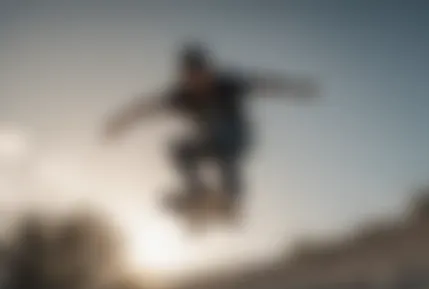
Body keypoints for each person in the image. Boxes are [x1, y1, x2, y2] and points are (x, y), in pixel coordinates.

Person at [103, 43, 319, 218]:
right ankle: (197, 192)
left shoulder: (228, 84)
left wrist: (298, 88)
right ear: (185, 77)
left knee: (218, 130)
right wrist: (120, 123)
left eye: (202, 74)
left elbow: (266, 83)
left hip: (237, 137)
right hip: (209, 142)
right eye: (191, 77)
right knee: (178, 148)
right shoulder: (181, 96)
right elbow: (148, 107)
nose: (198, 81)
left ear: (210, 71)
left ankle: (231, 195)